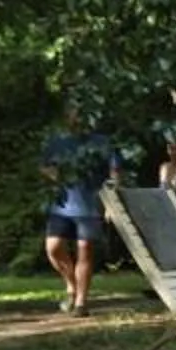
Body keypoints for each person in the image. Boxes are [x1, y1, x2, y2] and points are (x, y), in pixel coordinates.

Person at [38, 109, 120, 315]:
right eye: (74, 113)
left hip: (90, 206)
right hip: (62, 205)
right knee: (53, 248)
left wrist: (111, 203)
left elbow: (115, 173)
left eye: (83, 114)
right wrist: (56, 177)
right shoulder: (58, 142)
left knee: (85, 250)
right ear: (67, 117)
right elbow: (43, 166)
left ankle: (81, 303)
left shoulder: (102, 142)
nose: (78, 118)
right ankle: (71, 285)